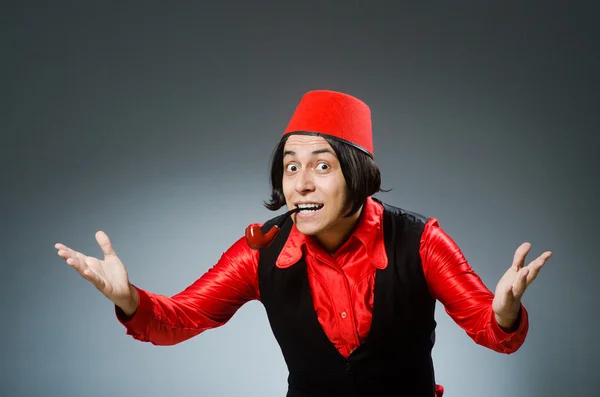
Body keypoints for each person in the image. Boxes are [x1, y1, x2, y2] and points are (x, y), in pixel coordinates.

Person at [55, 90, 552, 397]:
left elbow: (492, 331)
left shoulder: (421, 242)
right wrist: (129, 300)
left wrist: (504, 310)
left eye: (321, 165)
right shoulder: (262, 251)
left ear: (356, 175)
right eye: (291, 166)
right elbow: (179, 318)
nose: (302, 183)